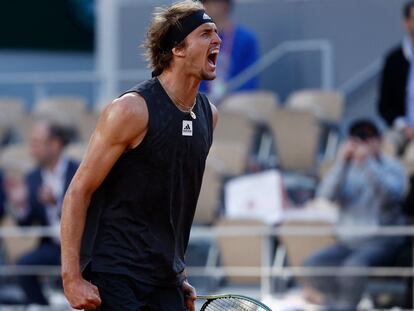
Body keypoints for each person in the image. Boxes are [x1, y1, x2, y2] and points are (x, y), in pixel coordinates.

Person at [60, 1, 220, 310]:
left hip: (166, 279)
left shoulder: (209, 116)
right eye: (205, 33)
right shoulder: (130, 110)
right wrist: (71, 277)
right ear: (178, 49)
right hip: (116, 276)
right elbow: (78, 191)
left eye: (216, 32)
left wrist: (178, 271)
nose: (218, 40)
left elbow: (172, 200)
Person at [303, 119, 406, 309]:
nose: (363, 143)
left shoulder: (393, 167)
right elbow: (325, 195)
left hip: (380, 241)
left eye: (368, 138)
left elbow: (392, 196)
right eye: (358, 138)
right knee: (313, 264)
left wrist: (368, 164)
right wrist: (342, 163)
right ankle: (337, 305)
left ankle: (344, 307)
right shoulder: (344, 168)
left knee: (353, 268)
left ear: (379, 140)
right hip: (347, 242)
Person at [7, 120, 79, 305]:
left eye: (37, 143)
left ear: (55, 144)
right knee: (24, 266)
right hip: (53, 246)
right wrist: (20, 205)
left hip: (81, 245)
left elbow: (88, 210)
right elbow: (26, 226)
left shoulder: (79, 171)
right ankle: (41, 306)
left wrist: (57, 203)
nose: (32, 149)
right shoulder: (32, 178)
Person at [200, 0, 259, 103]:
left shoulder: (246, 39)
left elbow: (249, 80)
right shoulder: (194, 40)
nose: (208, 7)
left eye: (214, 2)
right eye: (204, 3)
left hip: (235, 102)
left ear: (225, 5)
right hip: (202, 101)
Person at [378, 1, 414, 155]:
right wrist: (403, 126)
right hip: (401, 129)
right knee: (387, 149)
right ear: (406, 22)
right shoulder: (393, 59)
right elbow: (384, 104)